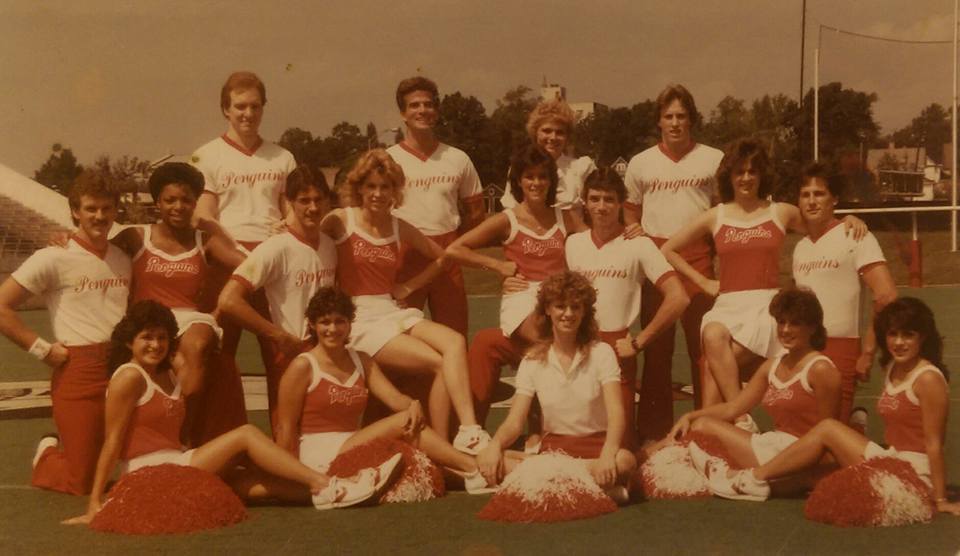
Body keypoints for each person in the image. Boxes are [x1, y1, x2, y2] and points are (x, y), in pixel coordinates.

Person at [63, 301, 401, 525]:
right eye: (146, 338)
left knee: (249, 481)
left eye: (162, 338)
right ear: (129, 342)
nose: (155, 345)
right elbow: (112, 442)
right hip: (148, 471)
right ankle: (325, 482)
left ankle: (336, 492)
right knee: (247, 435)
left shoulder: (168, 374)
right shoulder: (128, 377)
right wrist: (95, 503)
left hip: (177, 462)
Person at [473, 168, 689, 448]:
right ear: (584, 202)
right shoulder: (573, 243)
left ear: (621, 203)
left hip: (614, 348)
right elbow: (545, 281)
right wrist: (508, 280)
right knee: (489, 342)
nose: (601, 207)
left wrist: (639, 342)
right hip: (571, 345)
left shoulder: (639, 245)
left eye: (609, 199)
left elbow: (678, 297)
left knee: (619, 450)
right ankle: (479, 434)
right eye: (595, 199)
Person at [661, 139, 864, 421]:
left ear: (761, 175)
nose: (746, 178)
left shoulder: (779, 211)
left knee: (711, 366)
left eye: (752, 171)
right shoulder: (716, 215)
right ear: (729, 176)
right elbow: (668, 249)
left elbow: (820, 225)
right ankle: (736, 420)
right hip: (728, 305)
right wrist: (703, 282)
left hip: (766, 307)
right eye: (739, 172)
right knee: (712, 335)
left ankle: (721, 426)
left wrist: (848, 219)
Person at [703, 298, 960, 516]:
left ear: (923, 337)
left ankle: (753, 478)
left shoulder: (928, 379)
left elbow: (934, 444)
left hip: (914, 475)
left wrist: (940, 500)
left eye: (908, 335)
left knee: (827, 429)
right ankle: (749, 481)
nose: (899, 342)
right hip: (891, 460)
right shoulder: (893, 368)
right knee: (806, 478)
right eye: (893, 334)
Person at [319, 149, 488, 452]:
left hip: (391, 309)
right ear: (359, 188)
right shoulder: (341, 220)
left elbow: (443, 257)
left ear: (395, 190)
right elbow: (307, 234)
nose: (378, 193)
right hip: (359, 318)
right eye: (371, 186)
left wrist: (409, 286)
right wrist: (284, 225)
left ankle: (468, 430)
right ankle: (441, 449)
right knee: (438, 364)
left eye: (385, 187)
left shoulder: (400, 226)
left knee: (455, 342)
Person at [274, 287, 492, 492]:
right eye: (325, 322)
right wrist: (289, 476)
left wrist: (412, 404)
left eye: (340, 321)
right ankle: (473, 468)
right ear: (312, 325)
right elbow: (285, 427)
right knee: (403, 422)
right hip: (318, 455)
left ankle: (480, 468)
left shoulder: (361, 360)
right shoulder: (303, 365)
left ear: (350, 324)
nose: (333, 329)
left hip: (352, 446)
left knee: (409, 437)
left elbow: (394, 398)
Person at [0, 172, 130, 495]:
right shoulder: (53, 257)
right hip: (78, 368)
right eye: (90, 209)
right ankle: (46, 454)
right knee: (81, 481)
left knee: (138, 466)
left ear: (116, 210)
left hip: (125, 365)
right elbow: (2, 307)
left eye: (106, 208)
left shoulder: (124, 256)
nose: (99, 216)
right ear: (75, 211)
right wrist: (42, 350)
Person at [191, 71, 297, 441]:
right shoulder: (207, 155)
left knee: (281, 354)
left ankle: (286, 445)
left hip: (272, 265)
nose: (247, 114)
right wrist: (239, 253)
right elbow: (203, 216)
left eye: (254, 106)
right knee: (218, 356)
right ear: (226, 109)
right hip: (227, 261)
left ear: (263, 108)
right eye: (240, 106)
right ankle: (213, 443)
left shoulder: (282, 156)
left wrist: (286, 227)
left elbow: (291, 209)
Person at [109, 162, 245, 443]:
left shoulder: (205, 240)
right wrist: (65, 239)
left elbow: (249, 267)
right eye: (170, 200)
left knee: (196, 345)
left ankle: (184, 435)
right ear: (157, 202)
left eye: (186, 200)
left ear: (195, 202)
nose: (178, 207)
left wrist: (221, 307)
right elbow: (95, 252)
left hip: (189, 318)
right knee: (176, 363)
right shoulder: (136, 236)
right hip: (148, 319)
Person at [475, 271, 637, 501]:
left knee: (624, 462)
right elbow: (515, 422)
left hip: (596, 449)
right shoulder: (532, 360)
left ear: (584, 312)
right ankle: (595, 490)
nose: (568, 314)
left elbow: (616, 414)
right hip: (554, 453)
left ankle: (554, 484)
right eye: (560, 306)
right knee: (488, 458)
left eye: (575, 307)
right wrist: (494, 446)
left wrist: (607, 456)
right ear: (548, 310)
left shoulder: (602, 352)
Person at [622, 84, 724, 441]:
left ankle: (708, 427)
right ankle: (654, 431)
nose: (675, 122)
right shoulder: (641, 163)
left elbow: (724, 210)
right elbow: (630, 211)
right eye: (669, 116)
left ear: (691, 119)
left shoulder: (714, 158)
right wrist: (634, 230)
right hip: (657, 262)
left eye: (682, 116)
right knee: (657, 349)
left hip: (698, 259)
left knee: (704, 348)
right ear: (659, 121)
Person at [667, 289, 841, 477]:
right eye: (781, 322)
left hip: (800, 455)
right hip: (773, 444)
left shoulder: (820, 369)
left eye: (795, 323)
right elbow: (733, 408)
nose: (785, 330)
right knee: (702, 425)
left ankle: (734, 475)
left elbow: (828, 435)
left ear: (813, 327)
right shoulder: (772, 365)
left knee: (697, 440)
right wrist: (689, 416)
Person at [217, 166, 337, 434]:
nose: (313, 208)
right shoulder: (275, 248)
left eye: (318, 199)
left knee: (323, 430)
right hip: (292, 350)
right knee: (287, 430)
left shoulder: (330, 245)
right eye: (304, 201)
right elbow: (229, 300)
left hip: (325, 348)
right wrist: (277, 336)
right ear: (290, 202)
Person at [792, 162, 897, 425]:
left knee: (830, 433)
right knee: (802, 432)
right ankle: (856, 426)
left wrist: (868, 352)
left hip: (841, 347)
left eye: (819, 194)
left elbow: (886, 296)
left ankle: (854, 429)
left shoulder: (855, 235)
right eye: (805, 195)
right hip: (802, 348)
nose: (812, 201)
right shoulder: (800, 248)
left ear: (835, 199)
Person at [387, 76, 484, 337]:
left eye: (428, 104)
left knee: (454, 334)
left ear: (437, 110)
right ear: (403, 114)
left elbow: (476, 212)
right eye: (414, 105)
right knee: (401, 334)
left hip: (447, 252)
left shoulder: (458, 158)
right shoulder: (389, 159)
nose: (422, 110)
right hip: (405, 254)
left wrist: (459, 245)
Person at [499, 99, 597, 216]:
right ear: (535, 133)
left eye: (560, 132)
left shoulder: (582, 168)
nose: (553, 137)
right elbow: (510, 211)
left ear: (567, 137)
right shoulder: (520, 167)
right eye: (547, 131)